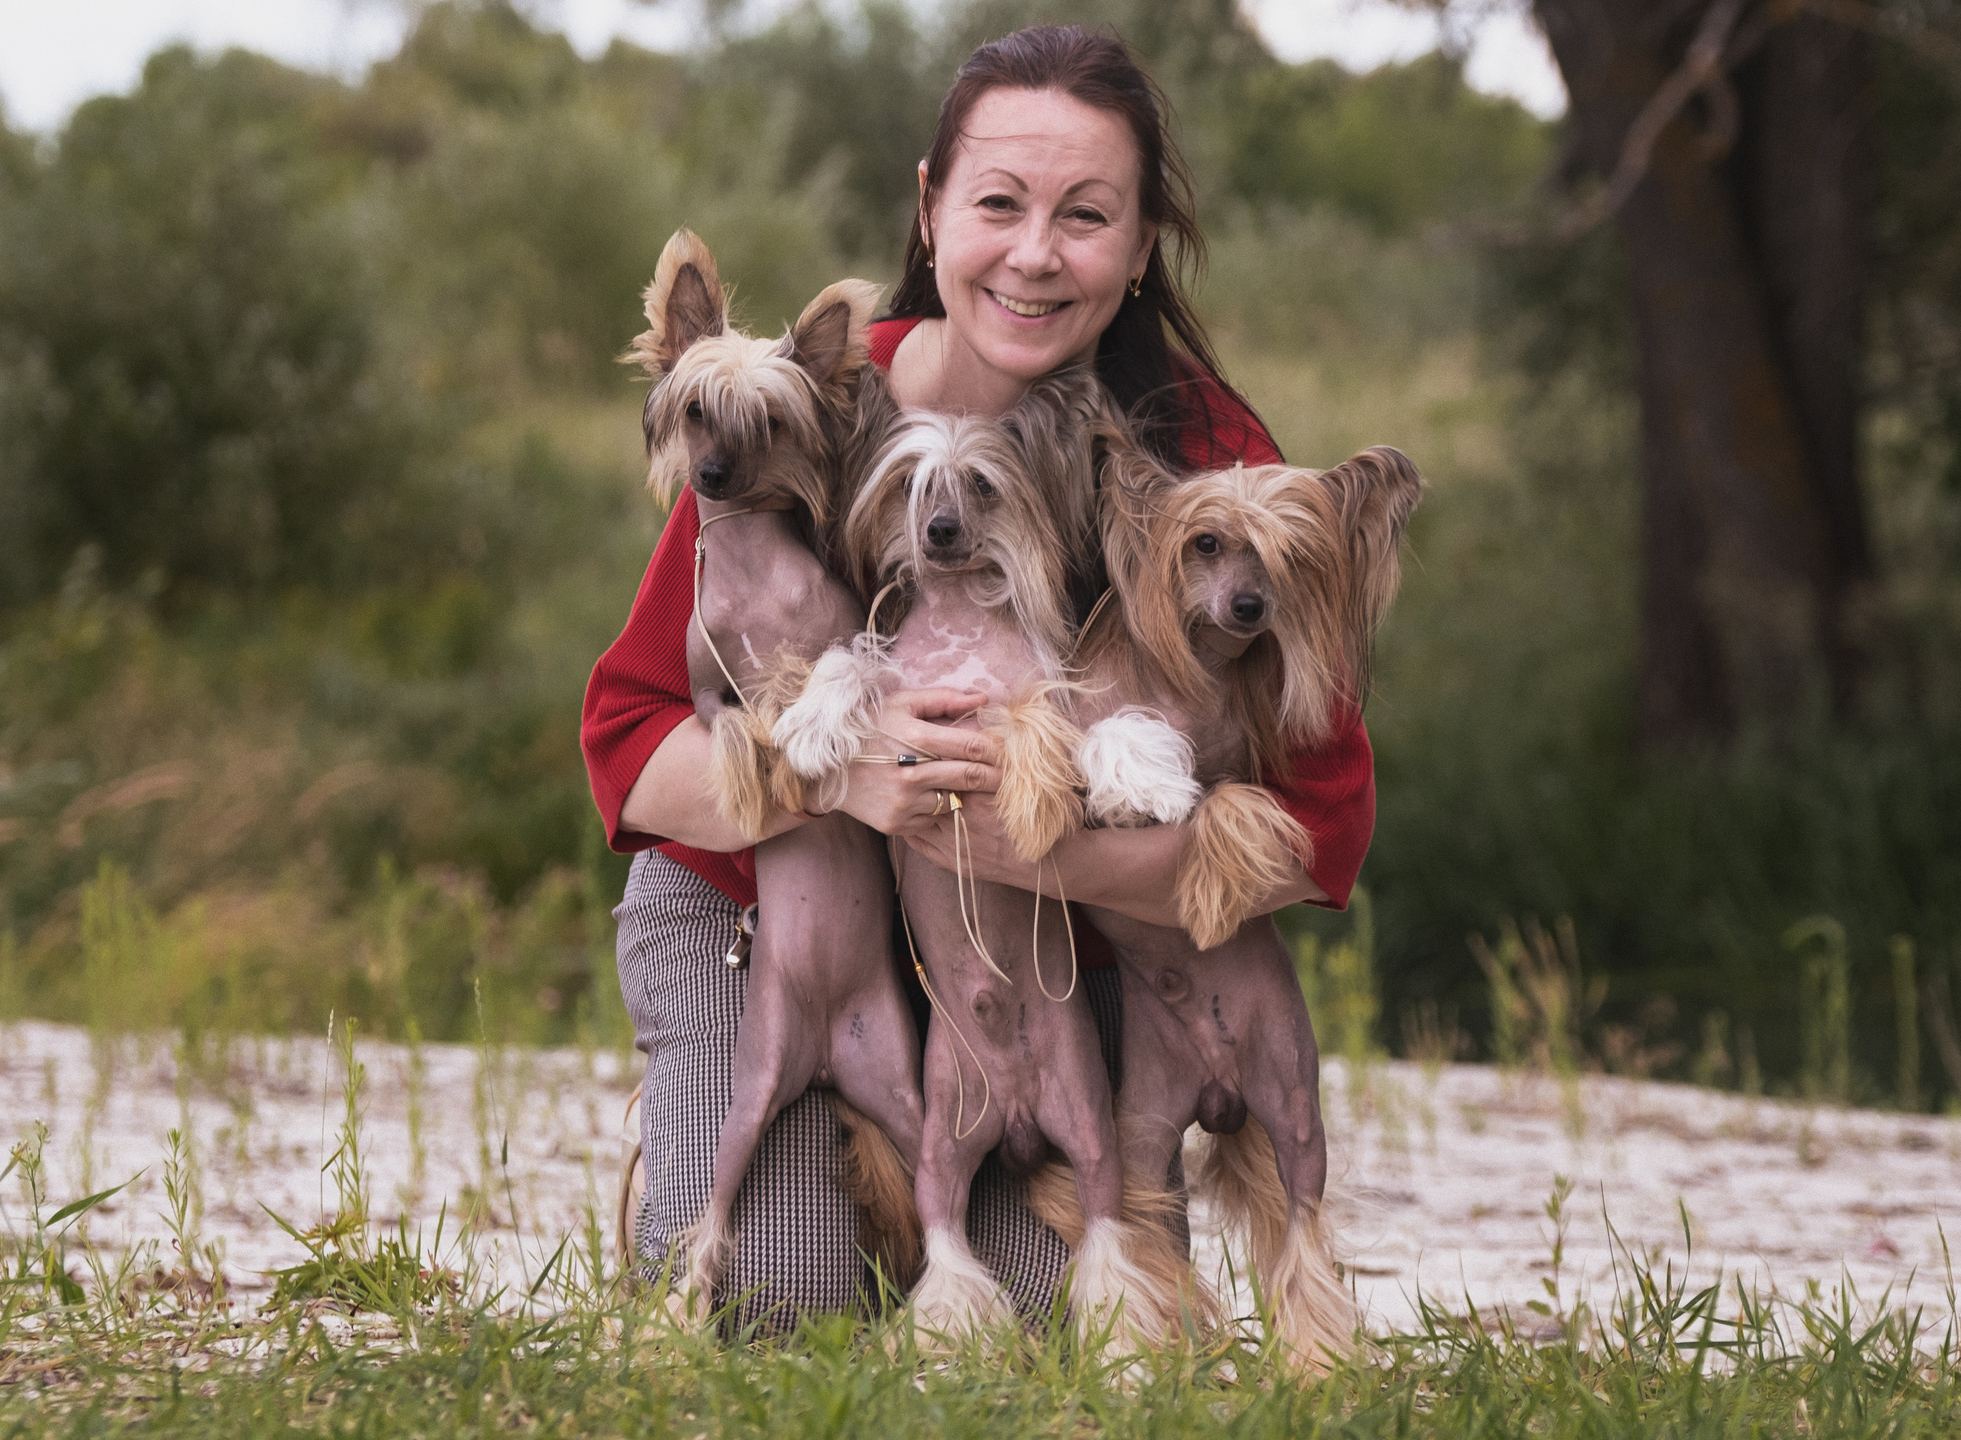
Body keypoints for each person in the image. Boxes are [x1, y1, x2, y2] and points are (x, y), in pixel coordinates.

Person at [579, 23, 1375, 1331]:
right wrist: (836, 778)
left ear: (1140, 245)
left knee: (1056, 1327)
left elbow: (1320, 818)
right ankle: (729, 1154)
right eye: (998, 202)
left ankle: (917, 1193)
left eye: (1088, 214)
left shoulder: (1205, 454)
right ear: (931, 209)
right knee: (776, 1307)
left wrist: (1019, 840)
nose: (1036, 251)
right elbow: (627, 740)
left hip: (1026, 963)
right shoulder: (806, 400)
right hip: (766, 924)